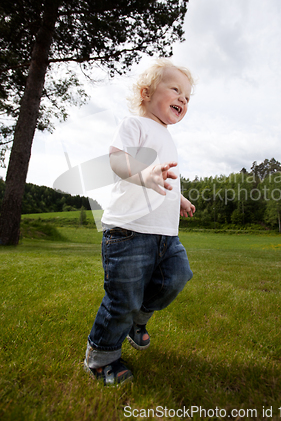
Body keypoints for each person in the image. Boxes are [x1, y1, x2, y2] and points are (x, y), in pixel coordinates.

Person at [84, 58, 196, 386]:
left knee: (176, 277)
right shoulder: (134, 124)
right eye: (175, 90)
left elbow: (168, 178)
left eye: (187, 97)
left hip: (165, 235)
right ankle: (101, 358)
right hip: (129, 232)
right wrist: (145, 173)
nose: (183, 99)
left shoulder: (168, 137)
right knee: (123, 299)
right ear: (147, 93)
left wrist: (180, 199)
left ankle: (138, 320)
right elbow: (117, 160)